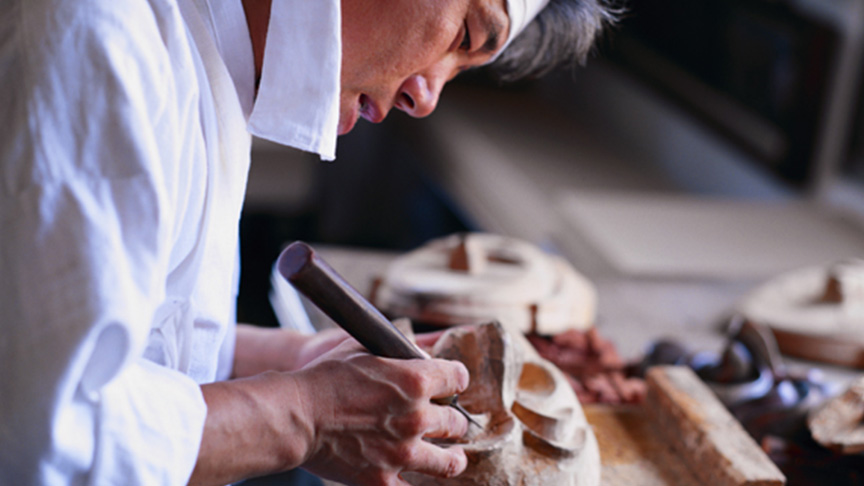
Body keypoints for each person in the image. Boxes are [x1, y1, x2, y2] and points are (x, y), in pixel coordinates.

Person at [0, 0, 614, 484]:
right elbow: (43, 434)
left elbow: (129, 338)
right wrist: (303, 418)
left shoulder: (204, 49)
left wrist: (298, 360)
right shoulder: (97, 31)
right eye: (464, 35)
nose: (424, 98)